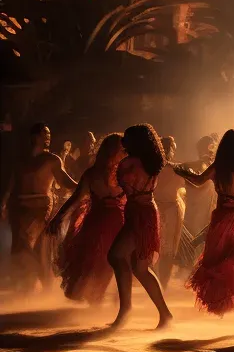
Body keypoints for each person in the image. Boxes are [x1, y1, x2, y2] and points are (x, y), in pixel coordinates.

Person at [175, 129, 234, 332]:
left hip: (222, 221)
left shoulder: (219, 167)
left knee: (225, 266)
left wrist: (182, 171)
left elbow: (198, 181)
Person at [108, 124, 174, 329]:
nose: (123, 141)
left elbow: (118, 186)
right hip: (146, 211)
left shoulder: (130, 163)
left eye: (127, 138)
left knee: (117, 256)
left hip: (138, 212)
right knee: (140, 268)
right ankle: (164, 314)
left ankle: (126, 309)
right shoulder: (152, 162)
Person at [48, 133, 125, 304]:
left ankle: (114, 305)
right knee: (94, 263)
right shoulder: (92, 174)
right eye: (122, 150)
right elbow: (75, 199)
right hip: (96, 224)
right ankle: (95, 303)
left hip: (119, 224)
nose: (125, 153)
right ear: (112, 151)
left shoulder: (124, 173)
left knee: (114, 265)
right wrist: (58, 217)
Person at [1, 123, 77, 292]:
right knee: (20, 248)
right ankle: (26, 287)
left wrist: (83, 186)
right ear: (34, 137)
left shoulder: (52, 160)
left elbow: (63, 181)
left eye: (48, 133)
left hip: (40, 208)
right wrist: (4, 203)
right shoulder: (22, 160)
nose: (47, 136)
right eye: (44, 133)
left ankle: (43, 282)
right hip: (19, 207)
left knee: (26, 243)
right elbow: (12, 183)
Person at [154, 136, 185, 288]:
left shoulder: (178, 168)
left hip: (172, 210)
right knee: (153, 248)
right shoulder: (150, 167)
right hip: (154, 210)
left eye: (170, 147)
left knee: (168, 250)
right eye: (165, 146)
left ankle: (162, 285)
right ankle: (156, 285)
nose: (167, 150)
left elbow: (195, 183)